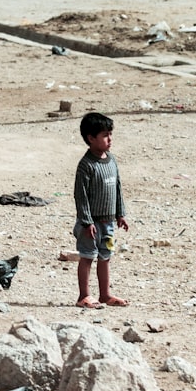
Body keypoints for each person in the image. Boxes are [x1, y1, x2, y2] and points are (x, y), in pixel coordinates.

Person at [73, 112, 129, 309]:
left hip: (108, 222)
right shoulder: (86, 165)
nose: (109, 139)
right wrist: (86, 222)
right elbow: (81, 196)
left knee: (105, 257)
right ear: (91, 138)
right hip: (91, 223)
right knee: (87, 256)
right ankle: (84, 296)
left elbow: (118, 188)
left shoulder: (111, 160)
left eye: (110, 134)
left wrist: (120, 214)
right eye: (105, 135)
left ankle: (105, 295)